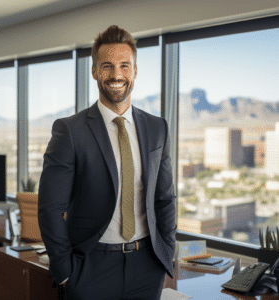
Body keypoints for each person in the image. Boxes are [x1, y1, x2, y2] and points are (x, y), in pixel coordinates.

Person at [38, 25, 177, 300]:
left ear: (135, 71)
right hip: (90, 270)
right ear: (94, 71)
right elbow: (50, 209)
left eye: (125, 66)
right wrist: (65, 272)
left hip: (146, 268)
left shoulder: (157, 127)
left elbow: (165, 198)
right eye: (107, 66)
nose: (116, 75)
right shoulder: (70, 131)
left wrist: (166, 252)